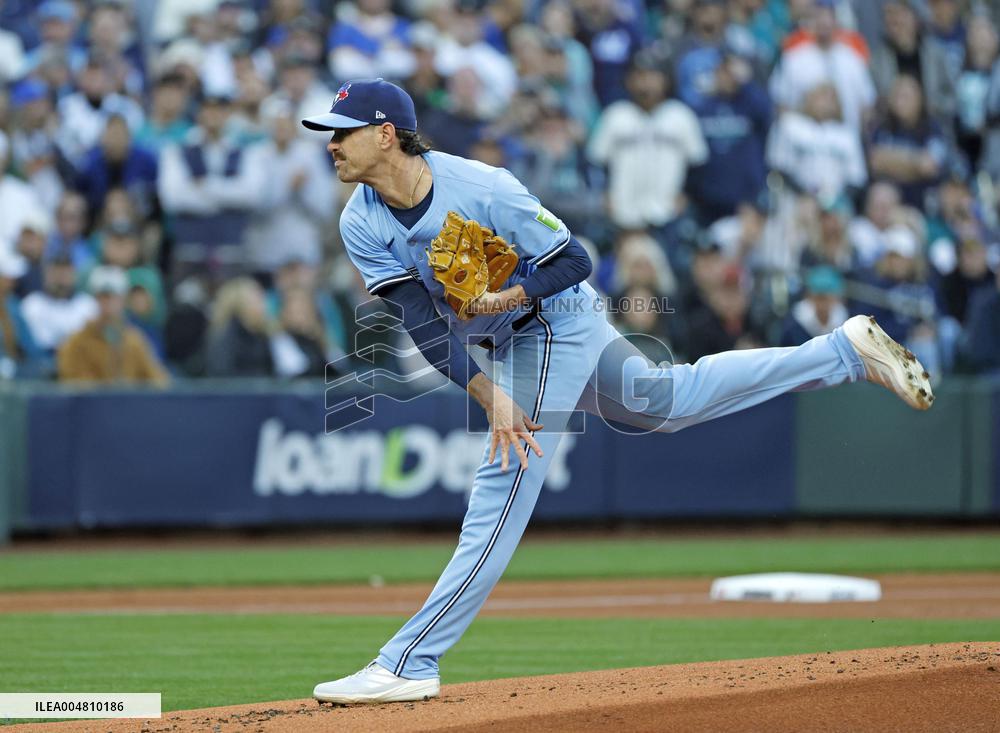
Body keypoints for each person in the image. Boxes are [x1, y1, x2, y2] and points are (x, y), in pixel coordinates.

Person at [301, 79, 935, 705]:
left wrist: (509, 299)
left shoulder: (482, 187)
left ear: (386, 135)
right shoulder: (360, 220)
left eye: (341, 133)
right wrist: (485, 390)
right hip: (507, 343)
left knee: (502, 486)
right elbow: (421, 322)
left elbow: (575, 261)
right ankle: (842, 352)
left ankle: (411, 661)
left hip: (551, 322)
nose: (331, 145)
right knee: (667, 403)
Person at [57, 265, 169, 385]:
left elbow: (158, 381)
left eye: (114, 297)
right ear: (94, 299)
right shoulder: (76, 343)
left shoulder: (134, 341)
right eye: (103, 297)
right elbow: (74, 387)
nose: (108, 303)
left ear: (123, 300)